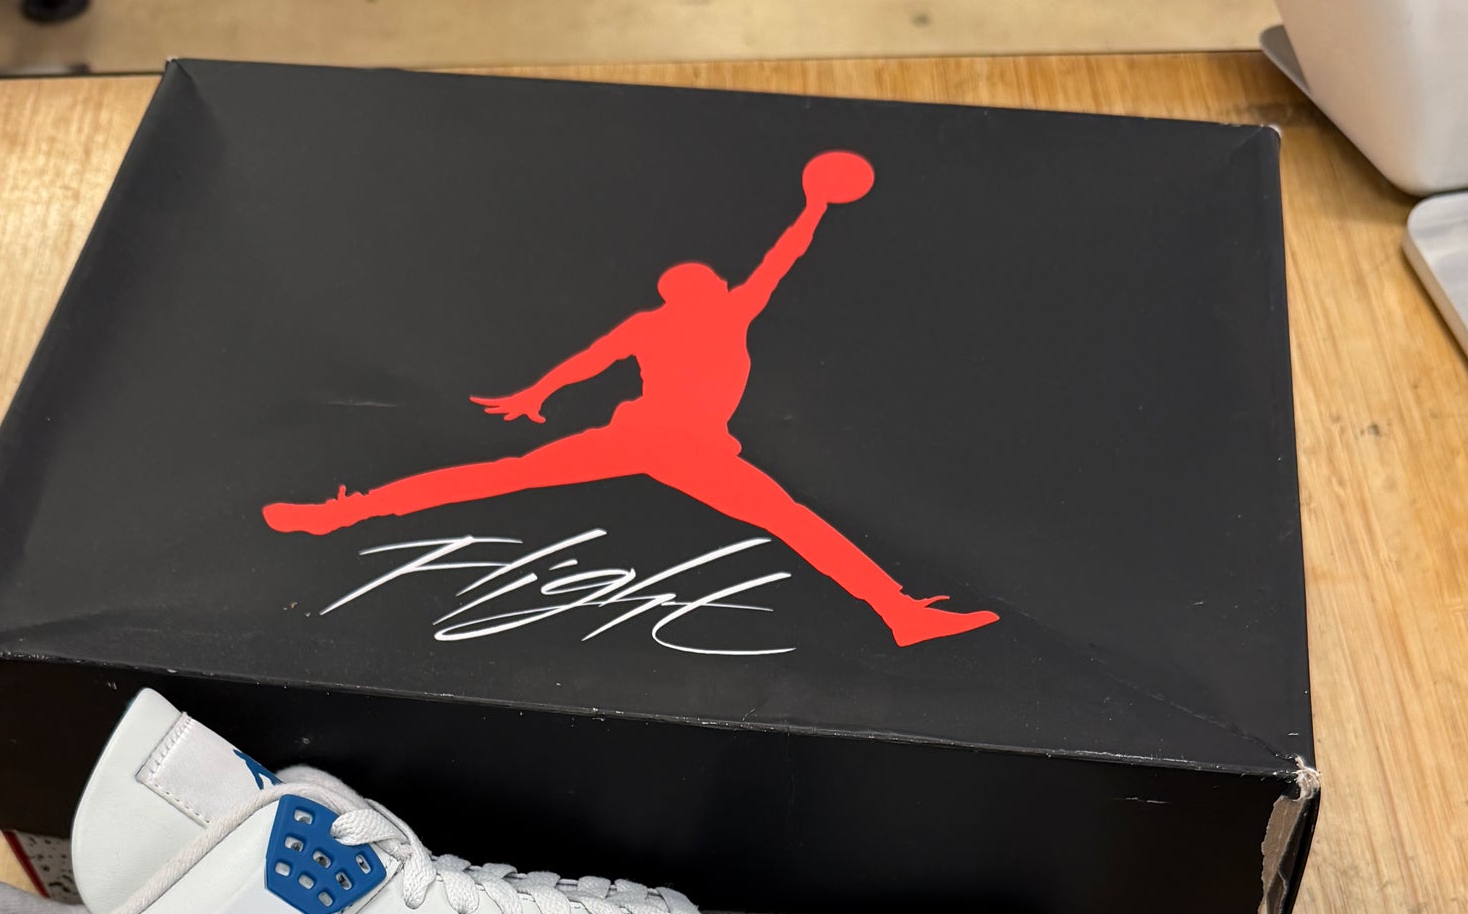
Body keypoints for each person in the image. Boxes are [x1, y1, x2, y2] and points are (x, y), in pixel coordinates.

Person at [264, 152, 998, 647]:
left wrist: (537, 393)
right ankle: (897, 611)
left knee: (500, 477)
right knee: (792, 520)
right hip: (667, 442)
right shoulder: (710, 314)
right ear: (692, 290)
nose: (707, 285)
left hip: (672, 444)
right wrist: (813, 206)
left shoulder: (688, 316)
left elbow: (597, 357)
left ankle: (899, 612)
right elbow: (777, 259)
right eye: (699, 282)